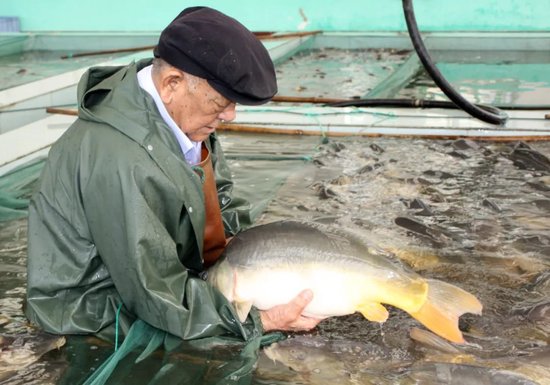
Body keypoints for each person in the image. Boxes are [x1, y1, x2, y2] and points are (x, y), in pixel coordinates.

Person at [25, 6, 320, 341]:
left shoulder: (182, 113)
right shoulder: (122, 159)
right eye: (222, 102)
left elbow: (219, 198)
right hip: (92, 309)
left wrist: (242, 249)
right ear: (172, 83)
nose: (231, 116)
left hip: (157, 276)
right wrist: (259, 321)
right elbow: (154, 292)